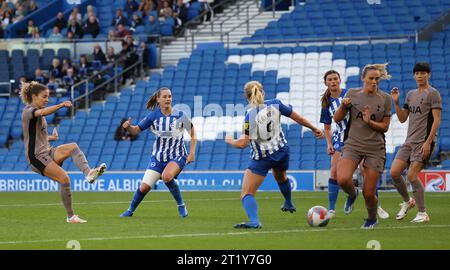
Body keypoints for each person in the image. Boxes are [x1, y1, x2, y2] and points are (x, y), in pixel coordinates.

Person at [225, 81, 323, 229]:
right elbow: (296, 117)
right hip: (282, 151)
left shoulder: (250, 115)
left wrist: (230, 140)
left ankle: (254, 221)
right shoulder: (276, 104)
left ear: (246, 97)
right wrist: (314, 128)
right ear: (262, 92)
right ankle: (288, 202)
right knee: (281, 176)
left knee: (246, 193)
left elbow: (243, 144)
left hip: (263, 157)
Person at [20, 82, 107, 223]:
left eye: (48, 96)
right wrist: (60, 105)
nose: (47, 99)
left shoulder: (37, 114)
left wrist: (51, 138)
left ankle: (89, 173)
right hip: (36, 157)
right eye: (44, 97)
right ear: (34, 96)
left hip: (47, 152)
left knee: (73, 146)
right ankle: (71, 217)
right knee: (64, 178)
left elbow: (36, 136)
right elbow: (42, 112)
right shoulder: (28, 111)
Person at [319, 70, 389, 219]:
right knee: (335, 172)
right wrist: (329, 143)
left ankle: (377, 206)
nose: (333, 81)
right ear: (326, 83)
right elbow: (327, 126)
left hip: (358, 136)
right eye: (330, 79)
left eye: (335, 79)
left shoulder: (351, 94)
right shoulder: (326, 102)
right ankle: (333, 209)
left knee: (365, 171)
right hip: (340, 138)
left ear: (339, 80)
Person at [120, 87, 196, 218]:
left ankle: (181, 205)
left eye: (170, 96)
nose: (168, 99)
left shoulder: (180, 115)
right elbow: (136, 130)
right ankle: (130, 211)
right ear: (158, 99)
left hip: (177, 155)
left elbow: (193, 133)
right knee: (144, 187)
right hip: (158, 158)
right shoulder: (153, 116)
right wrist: (128, 128)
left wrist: (192, 153)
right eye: (165, 97)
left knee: (166, 176)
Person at [333, 64, 393, 229]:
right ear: (363, 79)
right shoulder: (352, 94)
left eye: (377, 79)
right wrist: (343, 106)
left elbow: (385, 127)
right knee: (343, 179)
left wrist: (370, 122)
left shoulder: (386, 98)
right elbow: (337, 119)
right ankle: (353, 193)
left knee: (369, 193)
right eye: (371, 78)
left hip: (375, 148)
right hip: (353, 144)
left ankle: (372, 218)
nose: (374, 82)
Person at [390, 62, 442, 223]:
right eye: (417, 73)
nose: (420, 76)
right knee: (394, 172)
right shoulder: (410, 94)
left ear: (429, 74)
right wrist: (396, 102)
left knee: (412, 175)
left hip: (424, 142)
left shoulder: (433, 94)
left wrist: (428, 142)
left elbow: (437, 121)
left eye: (423, 73)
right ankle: (407, 201)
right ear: (414, 76)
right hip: (409, 141)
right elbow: (402, 118)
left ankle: (422, 213)